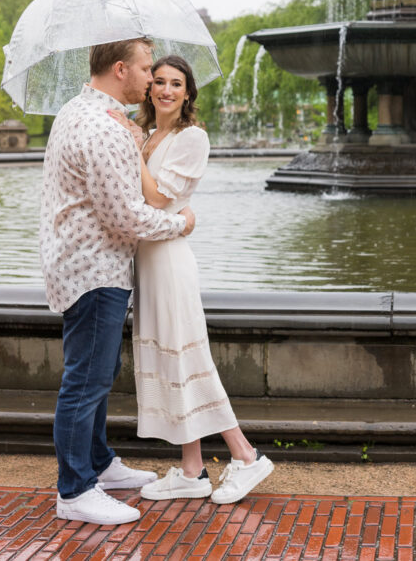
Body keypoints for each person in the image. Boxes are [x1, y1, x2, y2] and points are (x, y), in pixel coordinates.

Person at [39, 38, 196, 526]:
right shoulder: (102, 129)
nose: (152, 80)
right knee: (86, 380)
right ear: (122, 69)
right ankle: (75, 490)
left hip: (83, 263)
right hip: (94, 268)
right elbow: (124, 216)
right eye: (148, 69)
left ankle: (100, 465)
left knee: (96, 375)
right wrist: (181, 224)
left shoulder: (82, 111)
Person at [108, 54, 273, 504]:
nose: (164, 90)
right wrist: (132, 141)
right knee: (170, 364)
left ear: (187, 93)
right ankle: (192, 469)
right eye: (158, 81)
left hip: (170, 262)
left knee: (190, 359)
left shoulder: (191, 137)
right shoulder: (146, 135)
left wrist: (129, 145)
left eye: (175, 84)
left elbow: (158, 196)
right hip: (147, 260)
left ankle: (245, 455)